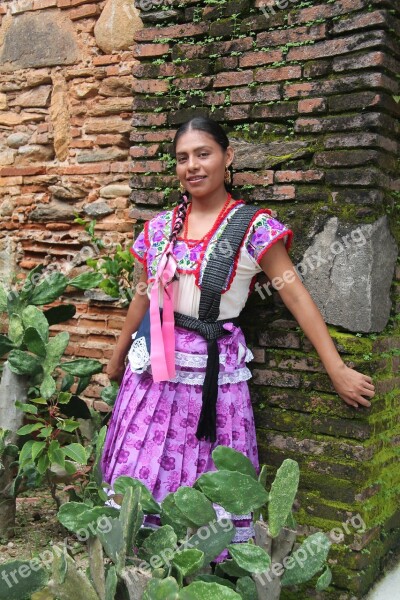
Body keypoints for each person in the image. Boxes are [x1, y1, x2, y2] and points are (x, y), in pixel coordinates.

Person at [100, 117, 375, 543]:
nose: (192, 166)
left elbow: (295, 296)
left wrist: (335, 368)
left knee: (204, 475)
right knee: (142, 470)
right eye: (182, 158)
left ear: (228, 158)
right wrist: (117, 358)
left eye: (203, 154)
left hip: (211, 379)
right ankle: (137, 557)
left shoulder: (251, 227)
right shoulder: (159, 228)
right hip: (152, 375)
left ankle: (202, 563)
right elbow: (142, 297)